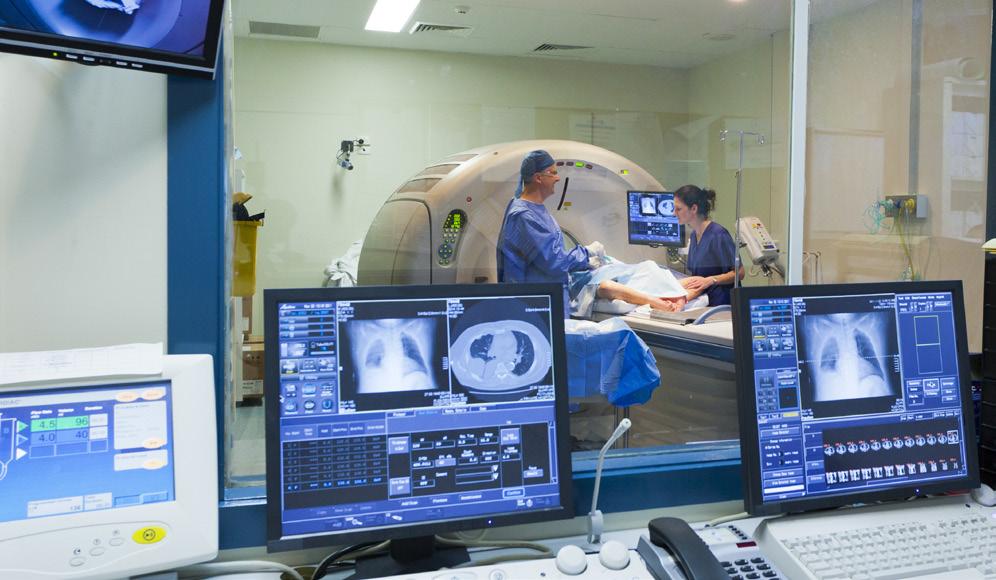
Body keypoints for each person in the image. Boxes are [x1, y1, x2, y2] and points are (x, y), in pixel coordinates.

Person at [497, 150, 605, 316]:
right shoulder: (524, 216)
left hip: (547, 299)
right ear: (538, 178)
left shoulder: (534, 209)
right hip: (535, 305)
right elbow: (554, 261)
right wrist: (586, 254)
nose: (558, 178)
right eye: (553, 173)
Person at [672, 184, 743, 306]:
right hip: (704, 300)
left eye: (678, 209)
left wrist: (711, 280)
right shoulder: (694, 235)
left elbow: (740, 273)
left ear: (694, 208)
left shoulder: (718, 234)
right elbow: (698, 277)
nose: (674, 213)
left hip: (723, 305)